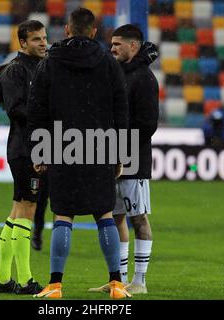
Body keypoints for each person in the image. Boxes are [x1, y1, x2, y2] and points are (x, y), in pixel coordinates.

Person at [27, 8, 131, 299]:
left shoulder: (50, 64)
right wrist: (120, 152)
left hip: (62, 146)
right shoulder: (109, 64)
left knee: (63, 215)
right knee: (104, 213)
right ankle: (117, 284)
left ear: (67, 31)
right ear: (94, 32)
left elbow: (37, 109)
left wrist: (39, 150)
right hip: (100, 146)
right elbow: (121, 108)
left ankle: (56, 285)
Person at [89, 24, 159, 295]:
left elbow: (148, 124)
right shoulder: (117, 75)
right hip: (110, 159)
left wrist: (122, 148)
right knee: (116, 216)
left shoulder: (144, 78)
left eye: (118, 44)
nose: (112, 48)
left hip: (134, 161)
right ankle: (119, 279)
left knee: (138, 218)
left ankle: (140, 281)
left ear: (134, 46)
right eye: (112, 43)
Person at [0, 20, 47, 295]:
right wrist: (46, 118)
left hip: (28, 147)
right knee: (28, 210)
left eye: (44, 38)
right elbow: (15, 109)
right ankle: (24, 281)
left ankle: (2, 279)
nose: (43, 43)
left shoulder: (39, 67)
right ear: (22, 43)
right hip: (26, 149)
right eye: (36, 39)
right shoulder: (14, 71)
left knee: (16, 211)